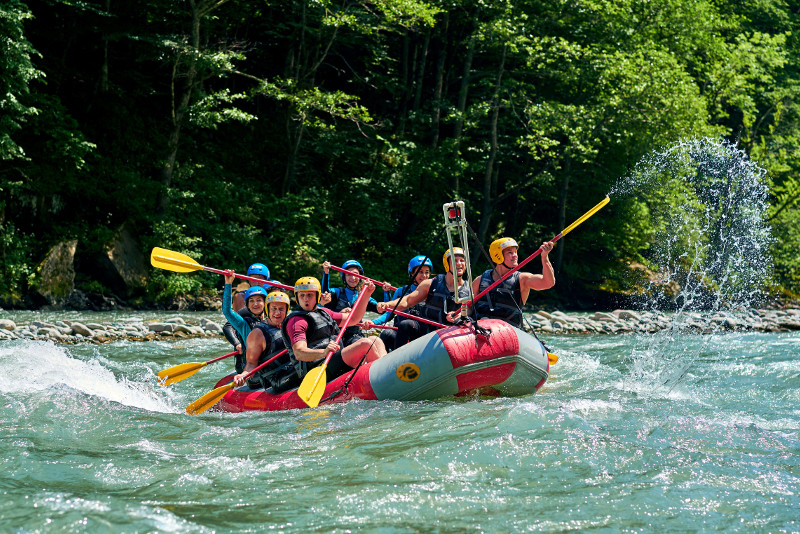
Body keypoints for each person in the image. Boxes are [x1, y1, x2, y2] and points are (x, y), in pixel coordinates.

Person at [281, 276, 386, 384]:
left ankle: (388, 370)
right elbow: (299, 353)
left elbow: (354, 318)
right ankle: (384, 378)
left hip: (334, 358)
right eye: (302, 295)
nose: (305, 299)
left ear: (317, 296)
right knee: (365, 344)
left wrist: (366, 294)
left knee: (375, 339)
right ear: (297, 297)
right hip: (318, 366)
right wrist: (324, 352)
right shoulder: (296, 321)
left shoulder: (324, 312)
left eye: (310, 295)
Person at [376, 248, 471, 347]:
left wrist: (459, 316)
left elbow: (470, 310)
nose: (459, 264)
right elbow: (408, 301)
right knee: (405, 324)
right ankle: (398, 359)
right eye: (455, 261)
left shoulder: (469, 289)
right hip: (426, 330)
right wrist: (387, 304)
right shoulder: (430, 283)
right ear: (447, 264)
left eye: (462, 261)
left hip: (450, 333)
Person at [471, 237, 555, 328]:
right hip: (481, 328)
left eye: (515, 252)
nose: (515, 255)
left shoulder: (522, 279)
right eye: (510, 253)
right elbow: (467, 306)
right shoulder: (480, 280)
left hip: (508, 331)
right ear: (498, 256)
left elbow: (548, 283)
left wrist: (545, 257)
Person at [232, 290, 296, 391]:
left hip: (291, 369)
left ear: (287, 310)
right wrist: (243, 375)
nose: (277, 313)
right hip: (276, 379)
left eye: (281, 309)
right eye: (273, 309)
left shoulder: (290, 325)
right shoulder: (257, 334)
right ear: (267, 310)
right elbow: (251, 364)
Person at [368, 255, 433, 351]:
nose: (424, 276)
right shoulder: (400, 291)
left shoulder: (432, 292)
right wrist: (373, 322)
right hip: (401, 334)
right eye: (420, 272)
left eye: (427, 272)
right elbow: (389, 315)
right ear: (412, 273)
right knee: (387, 333)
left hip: (421, 334)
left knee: (406, 324)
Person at [320, 259, 391, 347]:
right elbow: (325, 293)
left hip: (355, 335)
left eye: (355, 275)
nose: (352, 278)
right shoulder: (337, 292)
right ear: (344, 277)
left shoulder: (365, 296)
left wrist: (386, 292)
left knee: (361, 342)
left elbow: (385, 311)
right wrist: (326, 273)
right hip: (335, 335)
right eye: (348, 274)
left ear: (360, 277)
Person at [223, 263, 270, 360]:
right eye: (251, 301)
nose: (255, 304)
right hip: (250, 360)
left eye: (259, 300)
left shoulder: (273, 317)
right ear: (247, 305)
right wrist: (228, 284)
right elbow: (227, 312)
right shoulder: (244, 324)